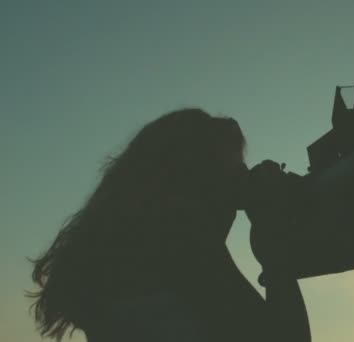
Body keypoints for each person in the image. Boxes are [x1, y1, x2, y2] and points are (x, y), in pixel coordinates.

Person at [27, 108, 311, 341]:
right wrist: (275, 252)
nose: (236, 198)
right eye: (233, 175)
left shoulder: (121, 267)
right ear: (193, 182)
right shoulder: (188, 258)